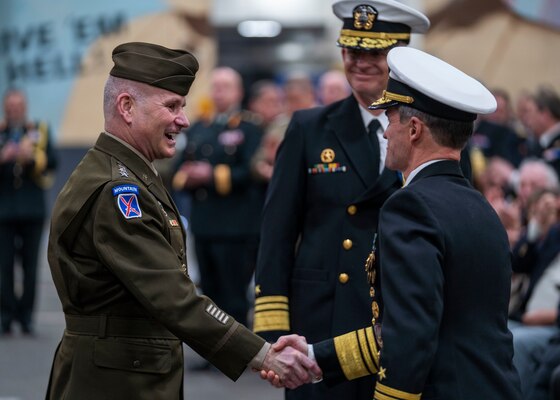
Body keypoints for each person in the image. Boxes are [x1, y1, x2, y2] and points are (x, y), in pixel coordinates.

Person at [45, 42, 321, 400]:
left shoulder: (123, 173)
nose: (184, 119)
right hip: (115, 381)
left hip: (125, 371)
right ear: (126, 107)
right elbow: (171, 295)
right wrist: (263, 353)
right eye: (171, 106)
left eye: (183, 106)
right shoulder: (117, 191)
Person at [267, 47, 522, 400]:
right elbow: (437, 322)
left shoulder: (410, 205)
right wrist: (314, 356)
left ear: (414, 128)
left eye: (391, 120)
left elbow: (408, 332)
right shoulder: (480, 206)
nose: (386, 134)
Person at [252, 1, 430, 399]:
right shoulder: (308, 128)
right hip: (322, 320)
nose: (360, 63)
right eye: (352, 51)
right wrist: (272, 333)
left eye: (375, 52)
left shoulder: (430, 131)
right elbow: (277, 232)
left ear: (401, 58)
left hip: (400, 321)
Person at [172, 67, 263, 329]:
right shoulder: (200, 127)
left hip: (236, 225)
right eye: (216, 86)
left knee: (233, 293)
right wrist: (188, 176)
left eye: (225, 86)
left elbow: (251, 171)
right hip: (204, 223)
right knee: (208, 293)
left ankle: (239, 351)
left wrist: (212, 175)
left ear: (239, 92)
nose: (219, 92)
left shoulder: (250, 128)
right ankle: (214, 350)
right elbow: (179, 167)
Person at [0, 89, 57, 336]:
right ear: (4, 108)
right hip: (3, 211)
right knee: (4, 267)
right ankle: (5, 315)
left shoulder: (39, 131)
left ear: (25, 107)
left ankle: (26, 317)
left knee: (31, 266)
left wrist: (31, 158)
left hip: (32, 210)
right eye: (10, 106)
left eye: (18, 106)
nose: (14, 110)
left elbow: (53, 162)